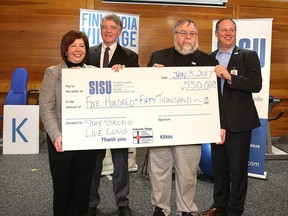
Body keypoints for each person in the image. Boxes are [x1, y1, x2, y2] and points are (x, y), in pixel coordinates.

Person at [147, 19, 226, 216]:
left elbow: (216, 97)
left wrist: (220, 125)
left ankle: (186, 209)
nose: (187, 37)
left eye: (192, 33)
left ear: (197, 37)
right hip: (161, 127)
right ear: (175, 35)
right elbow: (146, 91)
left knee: (188, 172)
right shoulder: (158, 57)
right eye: (183, 33)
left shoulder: (208, 62)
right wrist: (151, 75)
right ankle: (160, 208)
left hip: (191, 129)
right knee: (159, 171)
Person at [200, 18, 262, 216]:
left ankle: (235, 210)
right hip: (216, 122)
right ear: (216, 33)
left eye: (232, 30)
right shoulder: (208, 58)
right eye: (224, 30)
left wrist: (230, 77)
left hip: (240, 122)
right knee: (219, 169)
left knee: (237, 171)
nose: (228, 33)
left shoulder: (248, 55)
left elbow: (255, 84)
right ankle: (219, 206)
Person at [85, 14, 139, 216]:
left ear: (120, 31)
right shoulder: (88, 53)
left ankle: (122, 203)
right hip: (93, 117)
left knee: (121, 162)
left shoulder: (130, 57)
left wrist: (125, 74)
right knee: (93, 161)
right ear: (100, 29)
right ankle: (90, 202)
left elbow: (136, 85)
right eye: (104, 27)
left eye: (112, 27)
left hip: (119, 118)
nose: (108, 30)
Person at [39, 30, 97, 216]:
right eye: (73, 45)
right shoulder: (53, 72)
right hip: (61, 139)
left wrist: (117, 70)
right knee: (62, 186)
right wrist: (56, 135)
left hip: (86, 141)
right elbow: (46, 108)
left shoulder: (94, 73)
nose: (78, 50)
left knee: (83, 187)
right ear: (65, 50)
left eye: (82, 46)